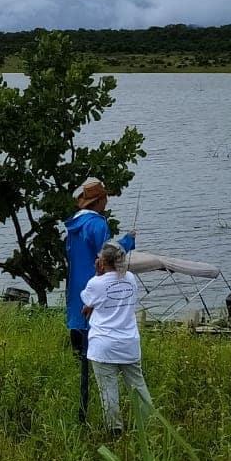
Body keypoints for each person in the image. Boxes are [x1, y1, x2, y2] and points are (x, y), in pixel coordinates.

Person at [65, 177, 135, 420]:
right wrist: (127, 242)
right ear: (99, 200)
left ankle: (83, 410)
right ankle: (103, 418)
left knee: (82, 365)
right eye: (105, 197)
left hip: (76, 301)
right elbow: (107, 258)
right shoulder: (97, 224)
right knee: (100, 365)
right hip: (95, 300)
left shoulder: (73, 226)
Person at [81, 240, 152, 435]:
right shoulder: (130, 278)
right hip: (129, 342)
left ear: (102, 262)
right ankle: (148, 423)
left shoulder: (96, 283)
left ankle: (115, 429)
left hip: (103, 344)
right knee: (138, 386)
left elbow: (87, 301)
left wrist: (97, 274)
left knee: (108, 390)